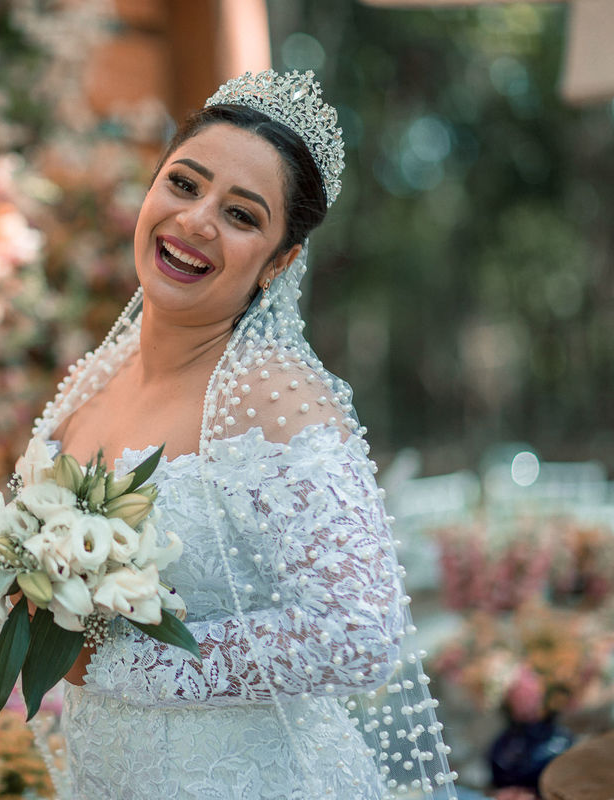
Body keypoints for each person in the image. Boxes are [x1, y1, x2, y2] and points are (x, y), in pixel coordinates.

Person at [31, 70, 459, 799]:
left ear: (279, 262)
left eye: (241, 215)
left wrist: (120, 661)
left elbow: (360, 629)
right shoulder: (97, 374)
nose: (196, 221)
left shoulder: (270, 397)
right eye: (185, 184)